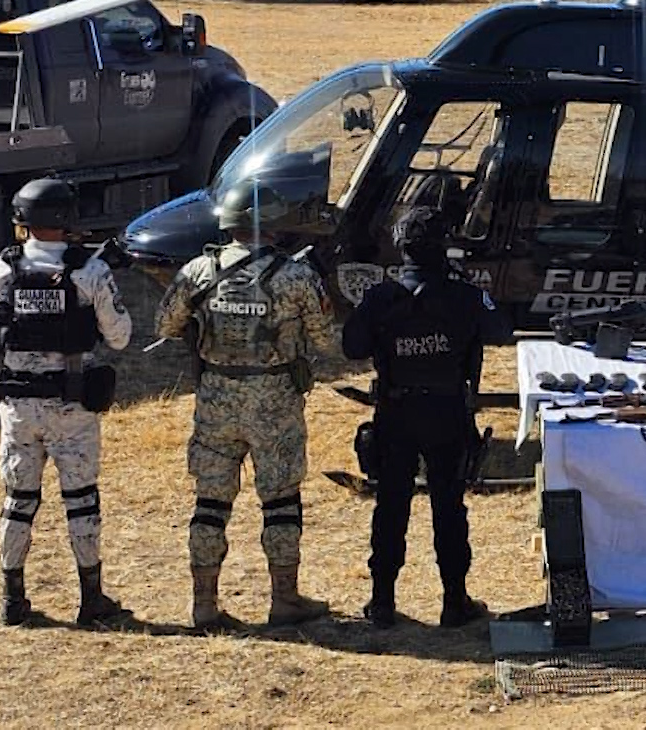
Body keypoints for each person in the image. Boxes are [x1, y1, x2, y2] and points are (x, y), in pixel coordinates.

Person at [154, 179, 336, 629]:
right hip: (275, 403)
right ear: (273, 224)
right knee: (281, 501)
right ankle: (284, 598)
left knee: (210, 503)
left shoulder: (199, 269)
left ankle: (204, 604)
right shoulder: (296, 276)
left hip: (216, 400)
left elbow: (165, 325)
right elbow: (326, 340)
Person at [0, 178, 133, 627]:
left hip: (18, 409)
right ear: (68, 217)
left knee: (18, 500)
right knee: (81, 500)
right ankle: (91, 599)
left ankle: (12, 600)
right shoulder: (90, 271)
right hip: (72, 407)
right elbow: (119, 337)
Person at [341, 207, 511, 628]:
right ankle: (454, 600)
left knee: (390, 506)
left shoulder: (381, 297)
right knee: (448, 508)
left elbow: (352, 347)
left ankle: (382, 600)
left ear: (401, 247)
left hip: (396, 411)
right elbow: (500, 330)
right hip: (446, 411)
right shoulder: (464, 296)